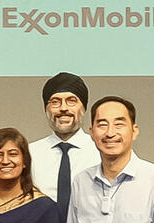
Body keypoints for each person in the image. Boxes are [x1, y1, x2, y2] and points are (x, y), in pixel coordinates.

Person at [31, 73, 103, 202]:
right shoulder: (30, 153)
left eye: (71, 101)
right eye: (55, 102)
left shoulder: (101, 151)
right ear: (46, 109)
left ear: (84, 107)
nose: (63, 108)